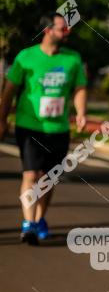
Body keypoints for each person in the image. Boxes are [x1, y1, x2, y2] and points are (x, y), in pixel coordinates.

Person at [0, 13, 88, 245]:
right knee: (31, 174)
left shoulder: (73, 59)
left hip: (58, 128)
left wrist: (80, 112)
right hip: (29, 126)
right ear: (47, 31)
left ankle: (39, 219)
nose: (67, 33)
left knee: (49, 178)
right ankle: (28, 223)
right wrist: (2, 118)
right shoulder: (26, 57)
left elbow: (79, 88)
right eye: (62, 29)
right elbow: (9, 90)